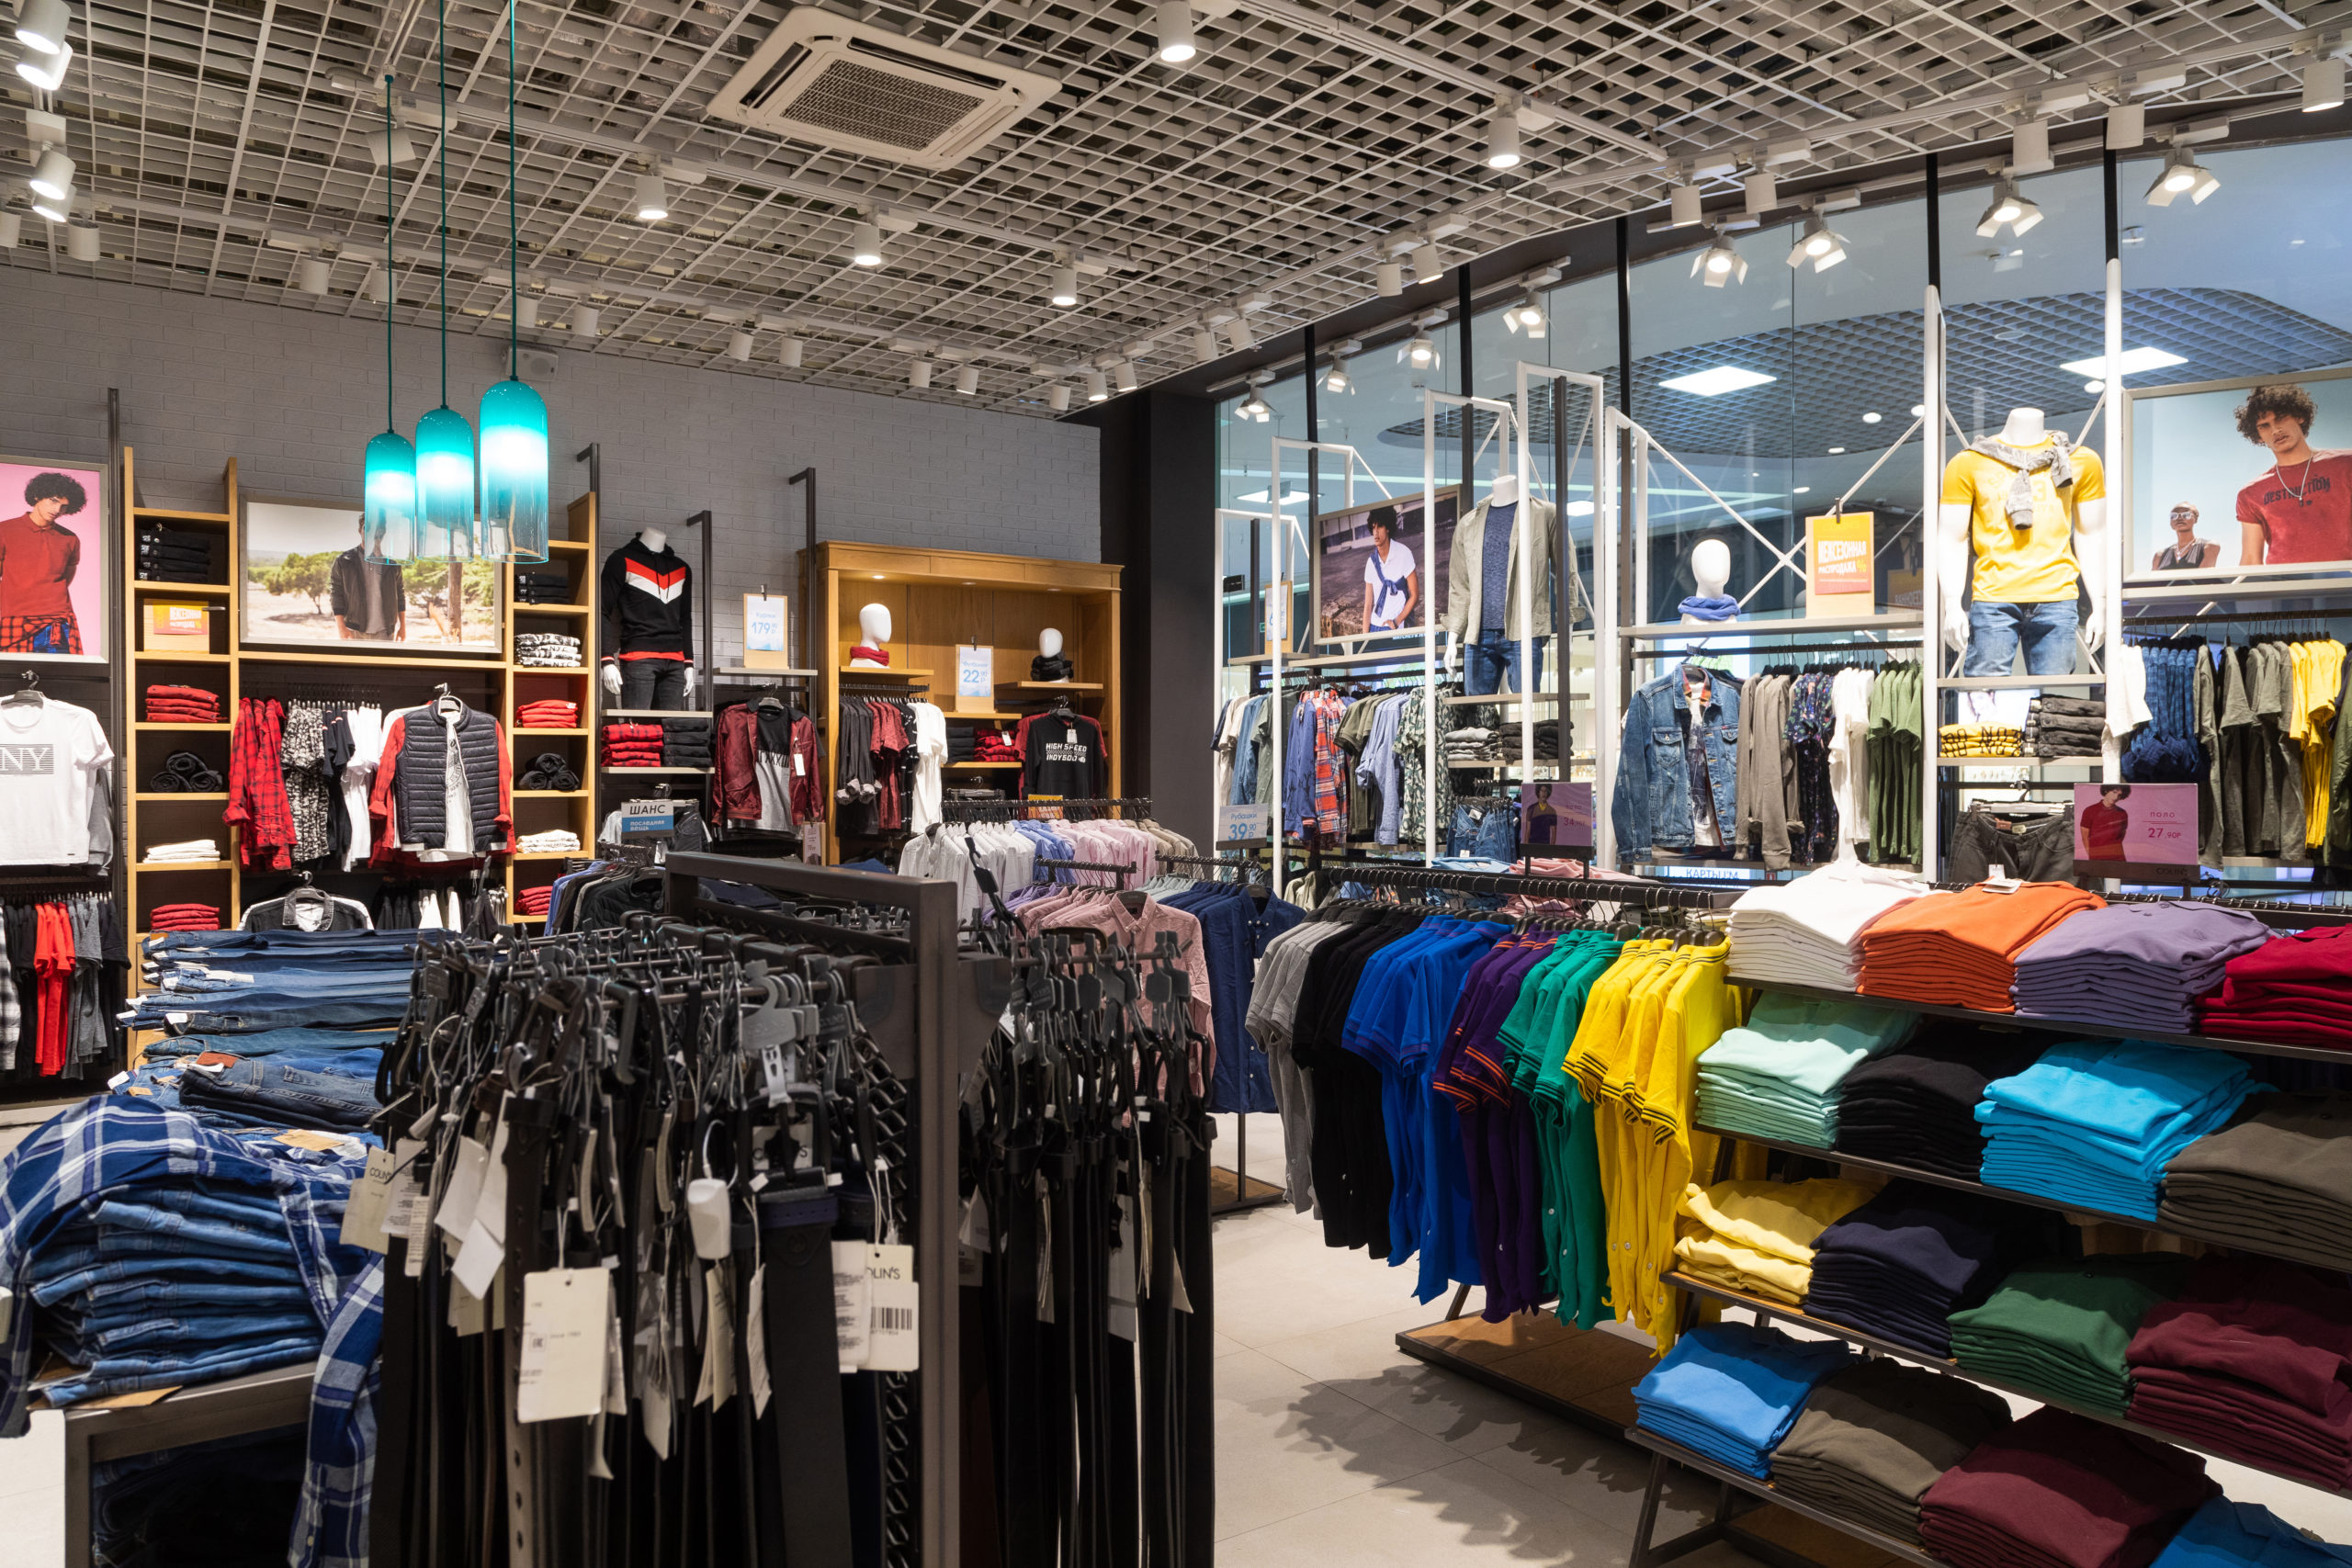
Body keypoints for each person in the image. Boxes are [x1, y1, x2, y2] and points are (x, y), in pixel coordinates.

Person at [2233, 384, 2352, 565]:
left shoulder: (2346, 464)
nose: (2275, 430)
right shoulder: (2250, 493)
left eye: (2280, 419)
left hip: (2345, 580)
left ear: (2300, 416)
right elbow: (2251, 559)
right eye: (2264, 426)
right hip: (2288, 585)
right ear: (2258, 436)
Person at [0, 472, 87, 654]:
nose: (57, 510)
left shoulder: (69, 539)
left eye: (64, 506)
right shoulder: (5, 530)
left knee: (57, 680)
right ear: (37, 496)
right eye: (53, 500)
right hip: (14, 620)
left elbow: (65, 578)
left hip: (56, 622)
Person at [331, 519, 408, 640]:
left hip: (385, 633)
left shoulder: (392, 564)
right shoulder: (344, 561)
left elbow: (400, 595)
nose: (371, 532)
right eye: (367, 528)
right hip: (354, 631)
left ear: (382, 532)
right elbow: (336, 595)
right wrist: (341, 628)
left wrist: (403, 627)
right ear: (359, 531)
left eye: (376, 529)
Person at [1358, 507, 1418, 635]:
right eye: (1373, 527)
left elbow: (1414, 594)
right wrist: (1364, 637)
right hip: (1374, 627)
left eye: (1379, 527)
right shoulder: (1371, 562)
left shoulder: (1403, 553)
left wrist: (1396, 621)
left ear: (1388, 528)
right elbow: (1368, 604)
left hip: (1394, 628)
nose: (1375, 533)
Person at [2152, 505, 2219, 570]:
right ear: (2170, 522)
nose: (2179, 518)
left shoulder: (2209, 547)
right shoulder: (2160, 556)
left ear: (2195, 519)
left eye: (2186, 515)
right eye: (2174, 516)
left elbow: (2203, 579)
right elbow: (2153, 581)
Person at [2081, 783, 2132, 860]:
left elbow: (2121, 836)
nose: (2116, 797)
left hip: (2118, 858)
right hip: (2098, 858)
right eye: (2114, 792)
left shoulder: (2122, 813)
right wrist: (2092, 856)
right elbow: (2085, 837)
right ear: (2106, 791)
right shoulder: (2090, 810)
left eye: (2119, 795)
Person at [1523, 780, 1557, 846]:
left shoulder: (1552, 811)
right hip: (1532, 846)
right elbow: (1527, 831)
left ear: (1548, 793)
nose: (1543, 793)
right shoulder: (1531, 809)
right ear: (1538, 792)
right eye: (1541, 791)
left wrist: (1551, 850)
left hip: (1545, 847)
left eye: (1545, 791)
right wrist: (1527, 850)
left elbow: (1554, 833)